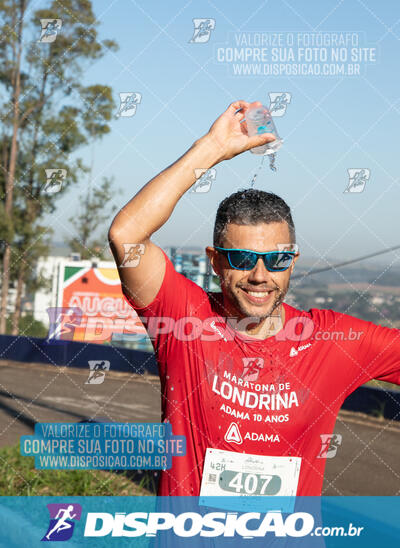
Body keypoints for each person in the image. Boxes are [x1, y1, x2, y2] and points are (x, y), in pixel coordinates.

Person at [108, 100, 400, 498]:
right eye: (242, 259)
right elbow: (127, 236)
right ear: (214, 262)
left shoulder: (332, 341)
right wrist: (211, 148)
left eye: (277, 259)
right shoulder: (184, 320)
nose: (260, 275)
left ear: (293, 262)